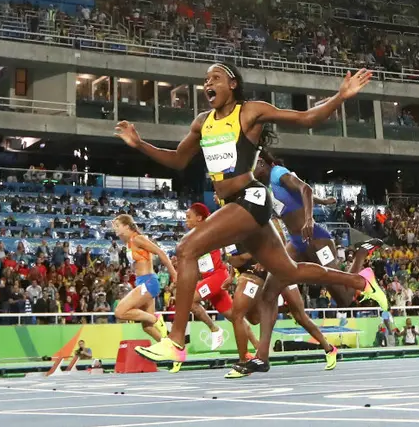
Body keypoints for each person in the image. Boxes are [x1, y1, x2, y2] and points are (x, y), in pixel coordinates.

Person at [114, 62, 388, 365]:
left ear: (232, 84)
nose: (208, 83)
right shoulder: (202, 123)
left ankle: (176, 341)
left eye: (215, 78)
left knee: (186, 249)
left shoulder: (249, 112)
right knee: (289, 272)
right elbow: (178, 159)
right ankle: (361, 281)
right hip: (234, 205)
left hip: (250, 199)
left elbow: (307, 117)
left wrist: (341, 96)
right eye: (206, 80)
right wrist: (139, 144)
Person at [242, 144, 383, 374]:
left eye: (252, 166)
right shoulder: (266, 187)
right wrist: (323, 202)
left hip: (316, 238)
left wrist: (309, 219)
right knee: (268, 294)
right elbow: (300, 195)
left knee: (344, 299)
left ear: (261, 163)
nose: (250, 171)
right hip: (296, 243)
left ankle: (360, 256)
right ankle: (262, 357)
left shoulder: (278, 173)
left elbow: (304, 189)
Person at [223, 217, 340, 378]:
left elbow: (283, 243)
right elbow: (234, 258)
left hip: (279, 272)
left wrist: (265, 259)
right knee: (254, 318)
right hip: (258, 275)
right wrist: (231, 273)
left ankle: (329, 349)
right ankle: (278, 313)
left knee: (300, 315)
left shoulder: (262, 219)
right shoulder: (232, 231)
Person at [184, 202, 259, 357]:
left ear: (199, 218)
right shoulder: (193, 236)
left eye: (188, 217)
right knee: (235, 317)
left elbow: (230, 251)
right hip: (210, 279)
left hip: (217, 277)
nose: (186, 220)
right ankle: (259, 348)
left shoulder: (211, 231)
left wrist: (231, 274)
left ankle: (215, 329)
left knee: (189, 300)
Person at [111, 214, 178, 369]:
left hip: (149, 282)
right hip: (143, 282)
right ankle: (173, 352)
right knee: (147, 327)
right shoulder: (129, 242)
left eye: (117, 226)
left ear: (127, 226)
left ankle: (156, 319)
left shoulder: (138, 239)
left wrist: (173, 274)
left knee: (120, 312)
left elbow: (161, 253)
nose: (115, 229)